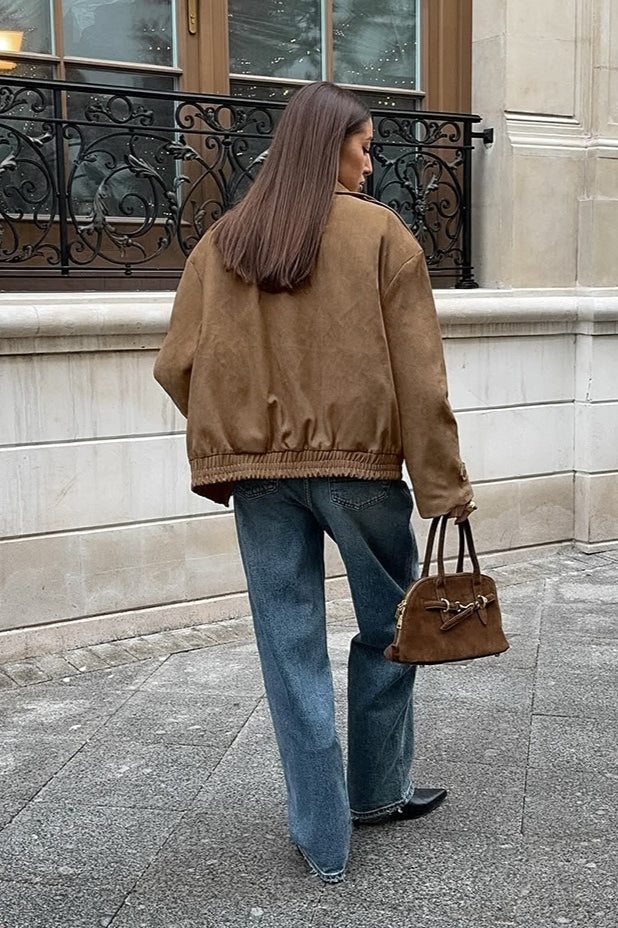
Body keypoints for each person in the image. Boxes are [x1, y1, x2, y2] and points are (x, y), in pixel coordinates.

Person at [153, 81, 475, 884]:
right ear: (329, 145)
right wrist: (443, 490)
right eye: (364, 147)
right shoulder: (380, 237)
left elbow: (174, 366)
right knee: (390, 632)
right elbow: (420, 381)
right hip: (360, 471)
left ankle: (323, 837)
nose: (371, 164)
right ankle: (375, 794)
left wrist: (235, 435)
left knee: (288, 649)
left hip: (259, 479)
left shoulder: (224, 241)